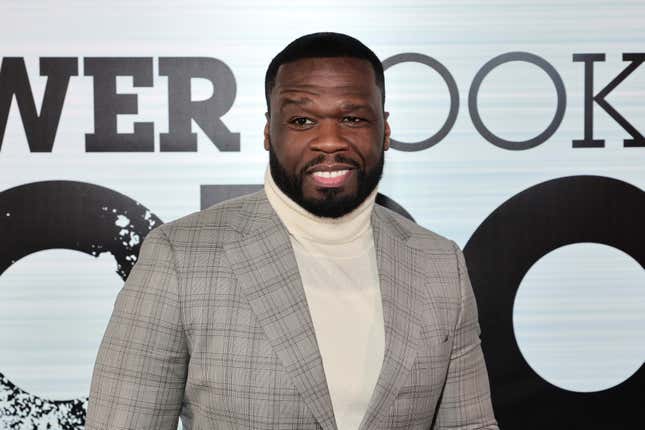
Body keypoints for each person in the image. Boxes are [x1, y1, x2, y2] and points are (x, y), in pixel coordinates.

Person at [86, 32, 499, 430]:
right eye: (302, 120)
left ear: (385, 130)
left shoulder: (439, 263)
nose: (329, 141)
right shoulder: (181, 257)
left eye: (352, 118)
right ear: (269, 132)